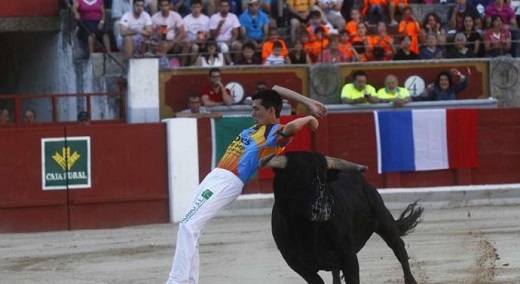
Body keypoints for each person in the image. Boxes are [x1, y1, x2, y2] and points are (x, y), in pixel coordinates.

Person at [165, 85, 327, 284]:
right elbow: (275, 88)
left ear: (270, 111)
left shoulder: (274, 133)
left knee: (188, 226)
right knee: (192, 228)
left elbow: (292, 128)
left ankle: (175, 281)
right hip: (215, 177)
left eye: (256, 109)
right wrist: (308, 102)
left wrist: (309, 117)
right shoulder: (256, 129)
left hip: (227, 180)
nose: (252, 113)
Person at [209, 0, 242, 64]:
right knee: (224, 46)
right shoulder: (214, 17)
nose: (224, 8)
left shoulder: (233, 17)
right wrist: (219, 26)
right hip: (218, 42)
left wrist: (230, 41)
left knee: (239, 45)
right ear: (219, 7)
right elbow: (212, 36)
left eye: (226, 6)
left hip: (230, 40)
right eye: (222, 6)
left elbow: (236, 34)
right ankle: (231, 64)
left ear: (229, 7)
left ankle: (236, 63)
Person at [183, 0, 210, 66]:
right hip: (191, 42)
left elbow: (208, 34)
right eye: (194, 7)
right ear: (190, 8)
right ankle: (192, 65)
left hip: (203, 41)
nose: (196, 9)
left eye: (198, 7)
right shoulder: (185, 19)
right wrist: (194, 41)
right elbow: (185, 35)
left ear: (201, 7)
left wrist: (205, 42)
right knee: (195, 47)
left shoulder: (206, 19)